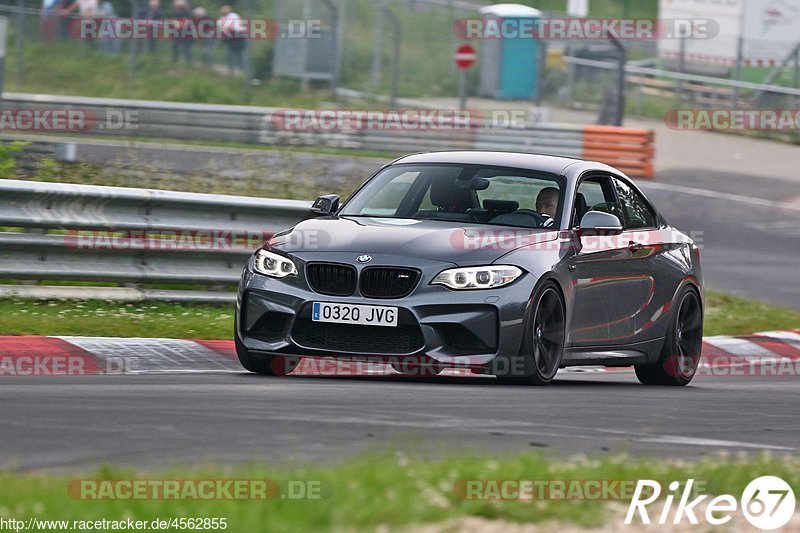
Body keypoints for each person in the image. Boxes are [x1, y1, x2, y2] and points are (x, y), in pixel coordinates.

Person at [217, 4, 245, 74]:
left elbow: (237, 28)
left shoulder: (234, 16)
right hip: (230, 40)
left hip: (239, 38)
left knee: (240, 55)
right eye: (223, 9)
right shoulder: (220, 20)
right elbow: (223, 32)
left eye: (226, 9)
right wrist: (222, 41)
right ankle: (231, 70)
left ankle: (241, 69)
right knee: (229, 55)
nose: (225, 11)